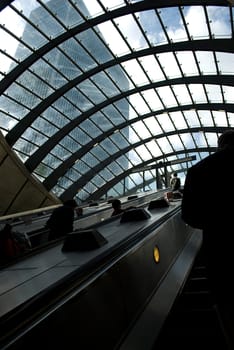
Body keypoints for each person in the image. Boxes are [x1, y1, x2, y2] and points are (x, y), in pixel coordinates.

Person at [181, 129, 234, 349]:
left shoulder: (199, 170)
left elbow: (189, 216)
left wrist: (214, 220)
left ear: (220, 145)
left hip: (220, 248)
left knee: (226, 302)